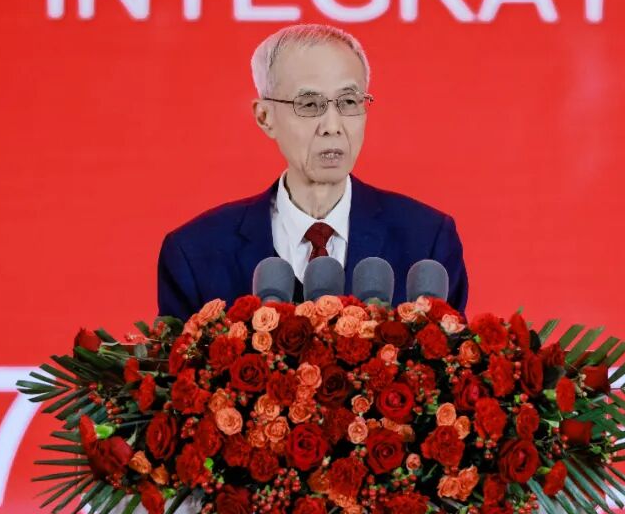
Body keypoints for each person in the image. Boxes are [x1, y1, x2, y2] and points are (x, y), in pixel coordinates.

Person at [156, 23, 469, 320]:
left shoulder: (427, 239)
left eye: (349, 101)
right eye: (309, 105)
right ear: (265, 117)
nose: (332, 126)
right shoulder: (196, 251)